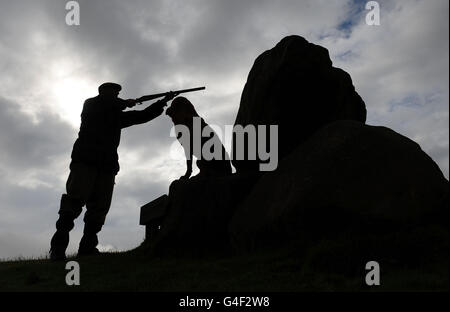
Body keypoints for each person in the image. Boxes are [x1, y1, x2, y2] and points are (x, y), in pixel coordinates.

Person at [49, 82, 176, 260]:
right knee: (73, 203)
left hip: (107, 166)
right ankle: (57, 249)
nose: (116, 96)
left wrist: (162, 102)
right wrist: (127, 103)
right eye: (114, 93)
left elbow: (143, 115)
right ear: (105, 93)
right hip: (85, 161)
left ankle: (87, 248)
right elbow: (109, 106)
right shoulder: (92, 105)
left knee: (98, 209)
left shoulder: (115, 115)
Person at [165, 96, 232, 179]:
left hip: (216, 164)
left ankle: (208, 173)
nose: (173, 118)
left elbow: (191, 149)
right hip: (208, 163)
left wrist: (188, 172)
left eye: (175, 112)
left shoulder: (195, 125)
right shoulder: (186, 127)